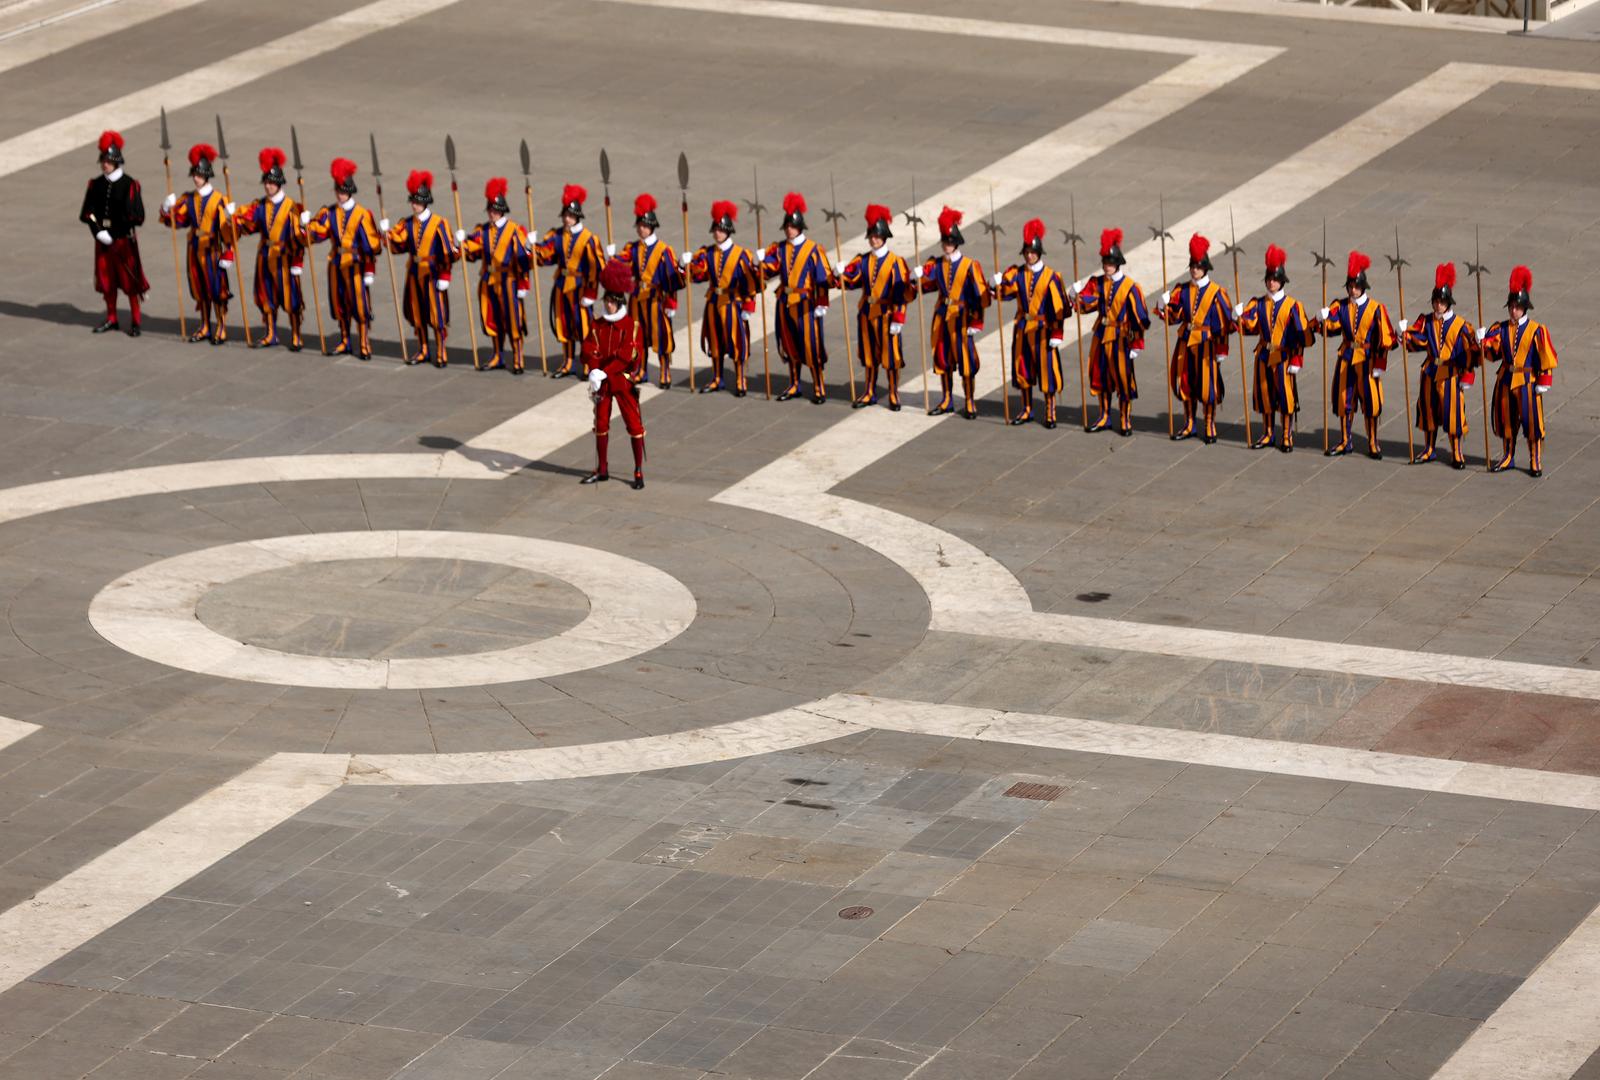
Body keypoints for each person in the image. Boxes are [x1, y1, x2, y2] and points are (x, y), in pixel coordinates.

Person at [1234, 244, 1314, 452]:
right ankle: (1268, 433)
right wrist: (1240, 316)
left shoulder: (1293, 306)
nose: (1271, 283)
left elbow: (1301, 337)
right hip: (1263, 354)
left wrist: (1297, 360)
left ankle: (1286, 434)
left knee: (1285, 397)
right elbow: (1249, 326)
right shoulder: (1258, 303)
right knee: (1264, 395)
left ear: (1282, 281)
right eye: (1269, 279)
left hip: (1284, 356)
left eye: (1275, 280)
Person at [1479, 266, 1558, 477]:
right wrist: (1483, 342)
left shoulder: (1536, 330)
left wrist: (1544, 381)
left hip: (1527, 380)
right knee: (1506, 420)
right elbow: (1492, 354)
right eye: (1511, 307)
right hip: (1505, 378)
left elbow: (1546, 357)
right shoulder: (1501, 328)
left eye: (1517, 307)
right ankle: (1507, 456)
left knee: (1532, 423)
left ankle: (1535, 458)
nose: (1513, 311)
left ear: (1524, 308)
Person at [302, 157, 382, 360]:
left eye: (344, 191)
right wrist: (307, 225)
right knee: (340, 304)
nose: (340, 194)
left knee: (359, 305)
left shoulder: (363, 214)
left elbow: (372, 244)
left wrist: (370, 269)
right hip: (337, 263)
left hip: (355, 264)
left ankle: (364, 342)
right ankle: (345, 340)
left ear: (350, 191)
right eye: (338, 190)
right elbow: (320, 233)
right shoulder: (329, 212)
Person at [1399, 263, 1478, 468]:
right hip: (1430, 370)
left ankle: (1457, 452)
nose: (1438, 306)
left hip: (1451, 373)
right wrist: (1405, 334)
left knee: (1453, 414)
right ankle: (1429, 449)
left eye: (1441, 302)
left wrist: (1467, 376)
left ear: (1448, 303)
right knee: (1428, 411)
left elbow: (1469, 352)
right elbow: (1418, 339)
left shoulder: (1461, 325)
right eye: (1435, 302)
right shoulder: (1425, 321)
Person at [1318, 251, 1395, 459]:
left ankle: (1372, 441)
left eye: (1356, 286)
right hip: (1346, 356)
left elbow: (1386, 339)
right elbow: (1330, 328)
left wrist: (1380, 364)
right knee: (1345, 399)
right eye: (1350, 286)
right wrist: (1323, 319)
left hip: (1367, 358)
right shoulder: (1340, 305)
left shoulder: (1376, 308)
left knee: (1370, 402)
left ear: (1363, 287)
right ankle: (1345, 440)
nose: (1353, 290)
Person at [994, 219, 1070, 428]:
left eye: (1032, 252)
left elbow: (1059, 308)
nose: (1029, 255)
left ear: (1039, 253)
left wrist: (1057, 333)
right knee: (1023, 369)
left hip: (1043, 330)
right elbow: (1004, 295)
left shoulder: (1051, 277)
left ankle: (1050, 410)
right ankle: (1026, 409)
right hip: (1022, 328)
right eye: (1027, 251)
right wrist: (999, 283)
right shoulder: (1017, 273)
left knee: (1047, 371)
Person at [1073, 228, 1149, 435]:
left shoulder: (1131, 287)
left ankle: (1124, 418)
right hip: (1101, 334)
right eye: (1104, 263)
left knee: (1123, 379)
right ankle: (1104, 415)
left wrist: (1137, 344)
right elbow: (1086, 304)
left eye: (1109, 263)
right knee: (1101, 376)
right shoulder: (1097, 283)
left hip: (1121, 338)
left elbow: (1139, 319)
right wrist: (1076, 295)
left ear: (1117, 264)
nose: (1106, 267)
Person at [1159, 234, 1233, 443]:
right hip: (1185, 342)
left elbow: (1223, 325)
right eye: (1192, 266)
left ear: (1205, 268)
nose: (1194, 270)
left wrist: (1222, 349)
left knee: (1207, 387)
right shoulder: (1182, 290)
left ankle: (1209, 423)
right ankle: (1189, 423)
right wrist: (1164, 305)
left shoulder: (1217, 293)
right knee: (1186, 382)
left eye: (1198, 267)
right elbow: (1173, 317)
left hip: (1206, 344)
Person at [761, 192, 835, 403]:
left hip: (806, 304)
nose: (789, 230)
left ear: (799, 227)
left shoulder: (813, 250)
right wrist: (761, 260)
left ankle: (818, 386)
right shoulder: (780, 248)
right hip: (785, 302)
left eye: (792, 227)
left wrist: (822, 303)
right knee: (789, 344)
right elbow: (770, 269)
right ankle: (795, 384)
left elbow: (822, 278)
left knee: (811, 345)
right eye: (786, 227)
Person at [231, 147, 306, 351]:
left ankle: (296, 334)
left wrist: (298, 261)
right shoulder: (260, 205)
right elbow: (249, 223)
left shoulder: (292, 207)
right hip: (265, 255)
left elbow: (299, 237)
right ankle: (271, 333)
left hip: (285, 256)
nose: (268, 186)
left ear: (279, 183)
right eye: (266, 182)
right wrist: (234, 217)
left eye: (271, 183)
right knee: (266, 296)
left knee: (291, 298)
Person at [916, 207, 988, 418]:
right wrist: (918, 277)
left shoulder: (969, 265)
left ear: (956, 242)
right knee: (942, 358)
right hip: (941, 316)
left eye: (949, 242)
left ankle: (969, 401)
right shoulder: (937, 264)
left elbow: (980, 296)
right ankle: (947, 399)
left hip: (962, 318)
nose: (946, 246)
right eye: (944, 242)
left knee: (965, 361)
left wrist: (977, 322)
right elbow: (927, 285)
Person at [582, 257, 647, 490]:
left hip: (622, 382)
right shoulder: (597, 324)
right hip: (602, 383)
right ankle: (602, 468)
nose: (607, 305)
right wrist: (593, 369)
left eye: (611, 302)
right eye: (606, 301)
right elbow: (589, 348)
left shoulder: (632, 326)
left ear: (619, 303)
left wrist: (604, 372)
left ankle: (638, 470)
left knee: (634, 425)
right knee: (600, 424)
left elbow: (627, 355)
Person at [683, 201, 760, 396]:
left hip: (733, 303)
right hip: (713, 302)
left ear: (728, 231)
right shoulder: (707, 253)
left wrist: (749, 306)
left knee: (736, 343)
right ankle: (718, 378)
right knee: (715, 342)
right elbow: (699, 276)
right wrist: (687, 264)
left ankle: (740, 379)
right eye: (716, 229)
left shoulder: (741, 254)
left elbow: (750, 281)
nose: (717, 233)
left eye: (721, 230)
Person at [837, 204, 911, 410]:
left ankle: (894, 393)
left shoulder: (896, 262)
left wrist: (899, 318)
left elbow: (902, 294)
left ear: (884, 236)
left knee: (891, 357)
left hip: (887, 314)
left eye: (877, 236)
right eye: (871, 235)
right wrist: (841, 272)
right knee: (869, 356)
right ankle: (869, 391)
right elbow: (851, 280)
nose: (874, 239)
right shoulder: (863, 260)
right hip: (867, 313)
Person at [160, 143, 234, 345]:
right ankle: (205, 325)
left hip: (212, 248)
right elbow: (178, 221)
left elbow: (227, 230)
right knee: (200, 289)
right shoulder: (188, 198)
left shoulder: (220, 199)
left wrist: (229, 251)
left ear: (207, 175)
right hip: (194, 248)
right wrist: (167, 209)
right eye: (194, 174)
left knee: (217, 289)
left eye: (199, 175)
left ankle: (221, 326)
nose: (196, 178)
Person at [460, 178, 533, 374]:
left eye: (494, 210)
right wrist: (460, 243)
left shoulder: (515, 230)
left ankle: (517, 356)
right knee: (492, 319)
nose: (491, 213)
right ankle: (497, 354)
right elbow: (472, 250)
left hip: (508, 280)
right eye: (489, 210)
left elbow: (523, 260)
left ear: (501, 210)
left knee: (513, 320)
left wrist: (524, 284)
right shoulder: (482, 230)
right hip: (488, 280)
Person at [385, 169, 457, 367]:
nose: (413, 204)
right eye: (412, 201)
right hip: (414, 272)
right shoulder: (407, 222)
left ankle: (441, 349)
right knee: (418, 313)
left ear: (425, 202)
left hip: (432, 273)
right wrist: (386, 234)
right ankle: (423, 348)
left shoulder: (439, 223)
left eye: (416, 201)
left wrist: (445, 275)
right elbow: (398, 243)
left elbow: (447, 253)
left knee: (436, 314)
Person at [612, 194, 684, 388]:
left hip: (656, 299)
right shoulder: (633, 248)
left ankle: (664, 371)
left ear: (651, 226)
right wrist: (613, 257)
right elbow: (623, 262)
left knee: (661, 336)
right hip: (637, 297)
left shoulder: (663, 250)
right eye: (639, 225)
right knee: (637, 337)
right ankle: (640, 370)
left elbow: (671, 279)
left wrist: (671, 303)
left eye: (643, 226)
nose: (640, 229)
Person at [80, 130, 148, 337]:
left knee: (130, 282)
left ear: (116, 162)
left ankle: (136, 321)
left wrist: (116, 231)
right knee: (107, 281)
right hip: (103, 240)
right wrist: (98, 231)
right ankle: (112, 318)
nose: (105, 164)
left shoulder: (129, 184)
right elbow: (88, 213)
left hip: (122, 240)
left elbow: (136, 216)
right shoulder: (96, 184)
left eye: (109, 161)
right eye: (103, 160)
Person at [534, 184, 605, 378]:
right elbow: (546, 255)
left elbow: (596, 268)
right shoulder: (557, 235)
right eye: (565, 215)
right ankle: (568, 362)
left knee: (583, 327)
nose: (567, 218)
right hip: (561, 285)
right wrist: (532, 246)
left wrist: (591, 293)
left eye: (571, 215)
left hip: (581, 287)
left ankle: (587, 363)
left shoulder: (589, 239)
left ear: (577, 216)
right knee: (564, 324)